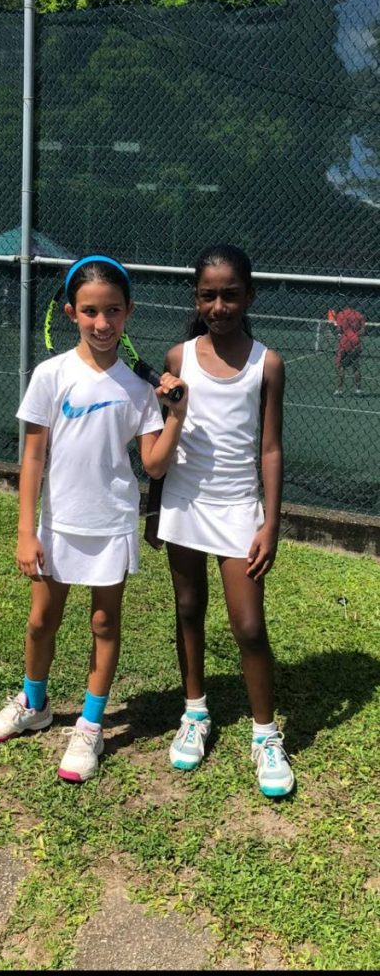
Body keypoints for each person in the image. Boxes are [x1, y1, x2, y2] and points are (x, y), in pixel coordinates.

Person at [0, 254, 187, 782]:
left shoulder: (139, 388)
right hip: (57, 524)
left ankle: (90, 726)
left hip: (112, 523)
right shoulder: (50, 375)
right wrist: (27, 531)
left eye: (113, 311)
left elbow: (154, 462)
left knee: (103, 623)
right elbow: (32, 458)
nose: (102, 323)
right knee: (41, 620)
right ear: (71, 312)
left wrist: (176, 415)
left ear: (129, 312)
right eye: (90, 311)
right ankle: (35, 704)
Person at [144, 243, 295, 798]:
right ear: (197, 298)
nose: (219, 305)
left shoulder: (267, 363)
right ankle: (195, 712)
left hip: (239, 510)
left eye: (231, 294)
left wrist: (270, 523)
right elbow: (165, 433)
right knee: (188, 608)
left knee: (249, 627)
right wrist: (156, 505)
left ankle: (265, 734)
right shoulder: (179, 357)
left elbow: (271, 449)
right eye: (208, 294)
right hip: (184, 502)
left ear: (249, 296)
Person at [330, 306, 366, 395]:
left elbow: (339, 329)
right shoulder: (359, 315)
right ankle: (358, 390)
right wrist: (355, 335)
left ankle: (339, 390)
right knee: (356, 367)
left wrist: (334, 333)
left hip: (344, 341)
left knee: (341, 366)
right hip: (356, 341)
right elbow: (363, 331)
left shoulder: (341, 314)